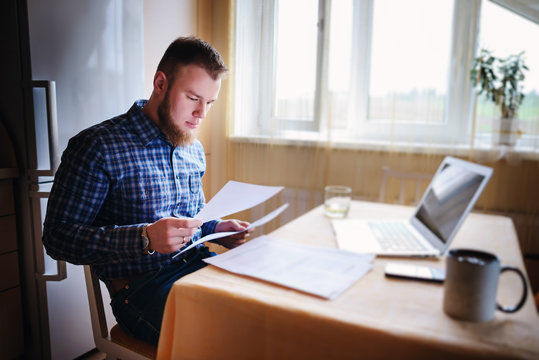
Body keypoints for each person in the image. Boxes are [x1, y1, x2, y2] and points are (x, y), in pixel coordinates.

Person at [42, 36, 251, 346]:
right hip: (142, 290)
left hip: (198, 265)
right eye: (193, 97)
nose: (201, 113)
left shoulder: (192, 148)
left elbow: (191, 223)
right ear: (161, 83)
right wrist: (144, 238)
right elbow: (58, 238)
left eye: (209, 102)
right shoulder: (97, 146)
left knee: (269, 313)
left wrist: (216, 229)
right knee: (228, 342)